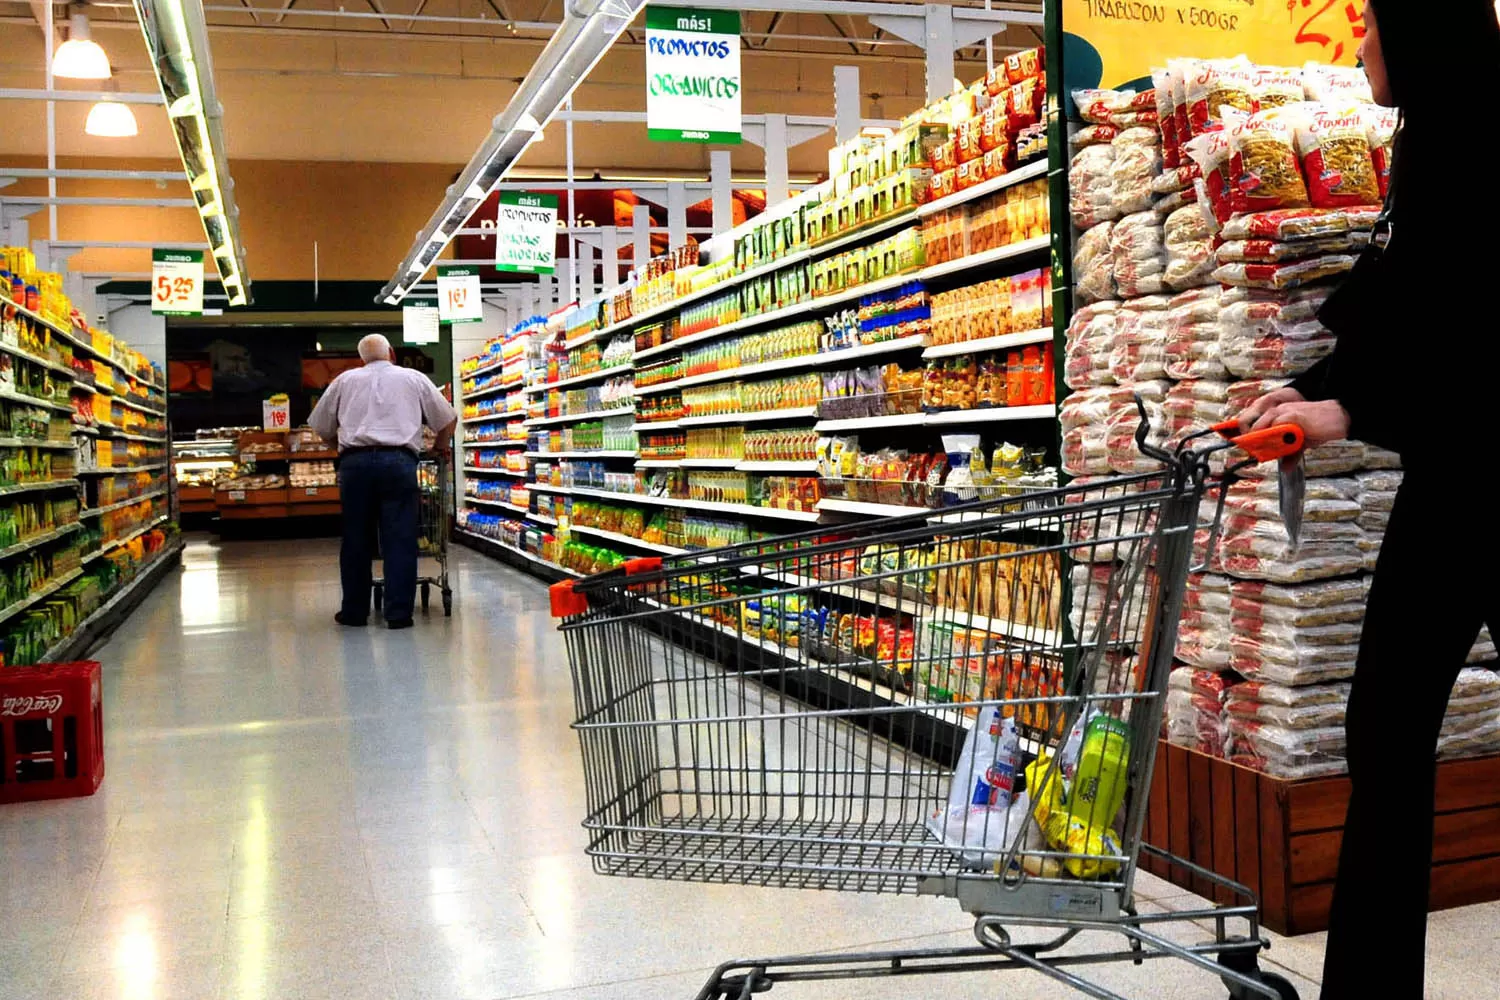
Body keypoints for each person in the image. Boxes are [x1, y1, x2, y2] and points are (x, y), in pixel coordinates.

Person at [1237, 3, 1500, 996]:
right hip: (1466, 475)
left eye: (1372, 25)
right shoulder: (1446, 127)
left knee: (1387, 728)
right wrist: (1309, 386)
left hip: (1480, 473)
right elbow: (1412, 298)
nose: (1357, 48)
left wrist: (1349, 402)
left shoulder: (1478, 136)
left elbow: (1472, 316)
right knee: (1385, 727)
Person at [308, 333, 457, 629]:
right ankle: (398, 614)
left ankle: (354, 612)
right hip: (399, 463)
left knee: (355, 538)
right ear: (391, 352)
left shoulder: (343, 381)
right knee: (400, 538)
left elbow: (320, 426)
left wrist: (340, 446)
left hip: (355, 465)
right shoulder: (413, 378)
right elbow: (447, 419)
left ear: (360, 357)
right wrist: (439, 446)